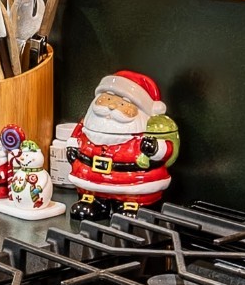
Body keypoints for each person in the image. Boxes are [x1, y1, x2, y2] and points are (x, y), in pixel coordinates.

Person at [63, 71, 176, 220]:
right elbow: (76, 137)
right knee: (89, 205)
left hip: (132, 184)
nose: (111, 106)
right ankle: (94, 202)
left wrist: (154, 148)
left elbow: (168, 149)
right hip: (91, 182)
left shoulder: (146, 132)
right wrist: (72, 149)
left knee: (130, 211)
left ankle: (132, 205)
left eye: (122, 104)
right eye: (107, 98)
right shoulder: (87, 126)